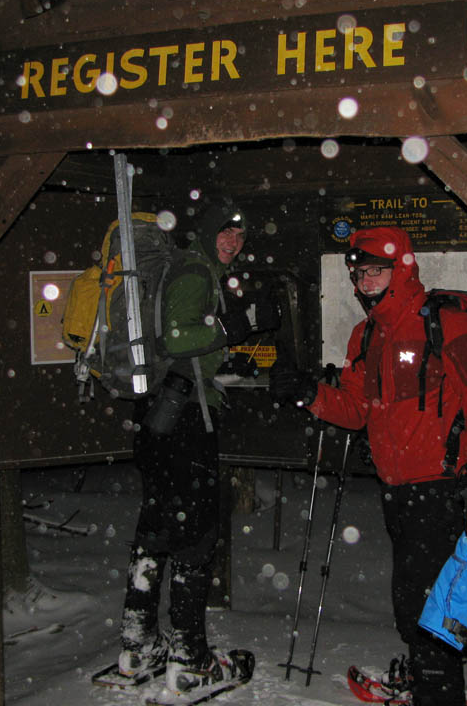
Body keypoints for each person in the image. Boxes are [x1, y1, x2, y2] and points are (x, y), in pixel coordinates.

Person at [270, 225, 467, 706]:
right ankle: (428, 680)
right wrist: (308, 394)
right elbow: (355, 410)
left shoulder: (446, 324)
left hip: (439, 487)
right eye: (360, 273)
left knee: (430, 603)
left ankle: (439, 692)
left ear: (402, 268)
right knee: (412, 599)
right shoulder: (364, 336)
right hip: (395, 489)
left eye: (376, 271)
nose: (366, 281)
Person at [117, 198, 277, 697]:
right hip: (184, 420)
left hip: (161, 415)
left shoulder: (185, 269)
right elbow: (177, 339)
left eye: (240, 237)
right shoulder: (194, 273)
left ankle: (137, 644)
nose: (234, 242)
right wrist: (239, 325)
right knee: (196, 533)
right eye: (227, 233)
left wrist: (229, 358)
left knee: (157, 526)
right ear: (209, 234)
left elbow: (187, 344)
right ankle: (190, 656)